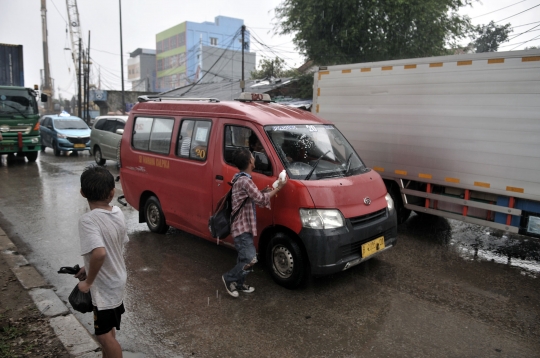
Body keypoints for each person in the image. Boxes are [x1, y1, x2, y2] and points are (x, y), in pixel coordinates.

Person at [75, 166, 129, 358]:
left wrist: (88, 281)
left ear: (82, 193)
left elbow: (99, 253)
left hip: (104, 286)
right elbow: (114, 245)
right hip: (117, 279)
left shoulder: (88, 221)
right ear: (112, 193)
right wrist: (86, 267)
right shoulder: (117, 213)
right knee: (109, 329)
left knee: (104, 336)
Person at [222, 148, 286, 298]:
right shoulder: (245, 180)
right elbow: (261, 199)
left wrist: (261, 191)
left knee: (244, 258)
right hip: (241, 228)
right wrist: (279, 188)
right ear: (250, 161)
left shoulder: (241, 177)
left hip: (243, 227)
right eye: (252, 156)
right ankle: (229, 278)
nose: (254, 158)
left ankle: (239, 283)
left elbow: (252, 196)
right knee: (251, 258)